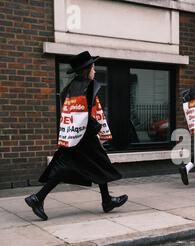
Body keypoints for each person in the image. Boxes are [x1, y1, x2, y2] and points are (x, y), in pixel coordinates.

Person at [25, 51, 128, 221]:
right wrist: (98, 129)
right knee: (97, 163)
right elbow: (90, 113)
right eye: (93, 67)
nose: (94, 70)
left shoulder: (68, 89)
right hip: (85, 137)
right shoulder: (89, 86)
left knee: (77, 165)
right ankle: (38, 198)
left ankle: (106, 200)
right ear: (87, 69)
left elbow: (71, 113)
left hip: (72, 135)